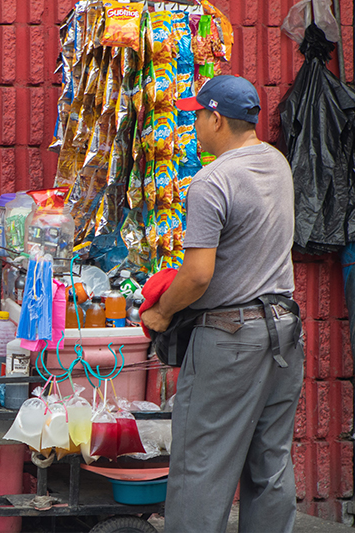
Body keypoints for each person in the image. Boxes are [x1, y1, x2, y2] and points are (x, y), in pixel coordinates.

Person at [141, 76, 303, 532]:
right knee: (270, 465)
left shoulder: (211, 180)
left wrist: (161, 312)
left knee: (200, 467)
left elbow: (197, 275)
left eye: (197, 114)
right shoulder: (276, 162)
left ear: (216, 119)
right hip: (284, 331)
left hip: (231, 340)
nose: (193, 123)